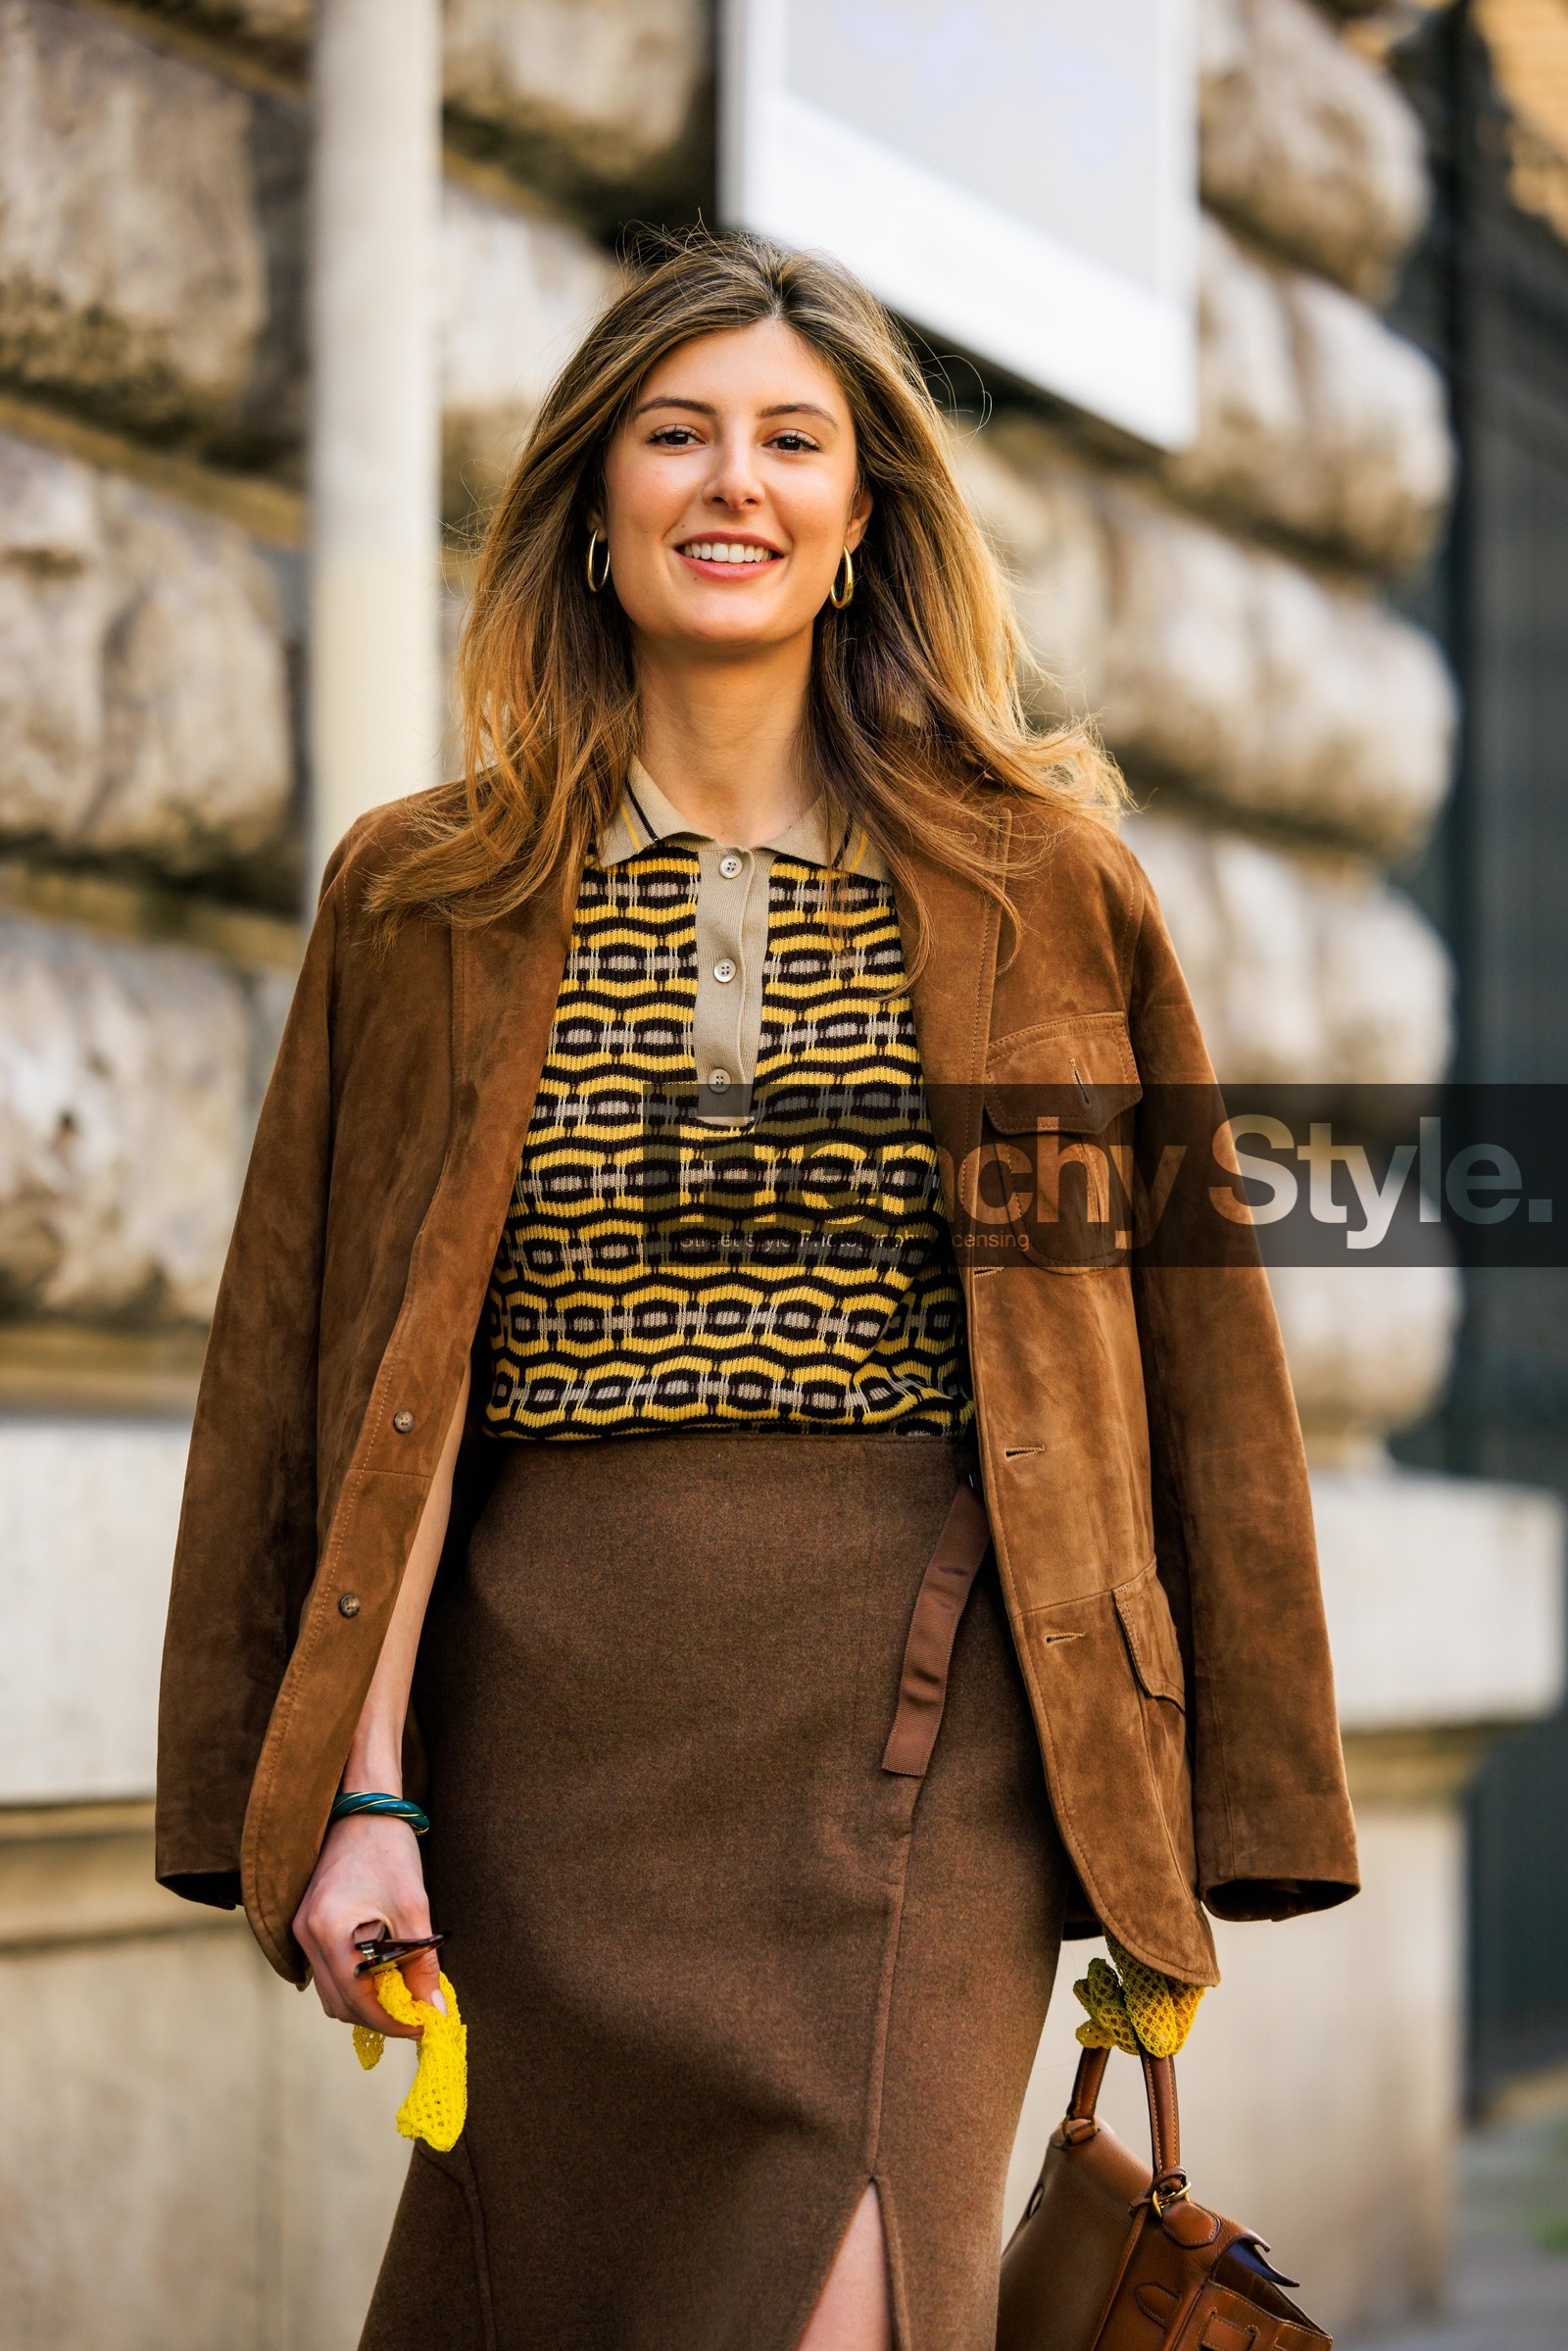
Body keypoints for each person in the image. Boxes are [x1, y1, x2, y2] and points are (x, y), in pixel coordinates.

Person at [156, 230, 1358, 2351]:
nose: (734, 482)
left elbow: (1185, 1358)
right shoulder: (422, 893)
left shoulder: (1037, 886)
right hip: (543, 1733)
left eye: (791, 442)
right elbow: (359, 1388)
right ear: (593, 507)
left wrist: (1193, 1799)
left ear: (857, 523)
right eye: (675, 434)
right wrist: (360, 1793)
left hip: (924, 1724)